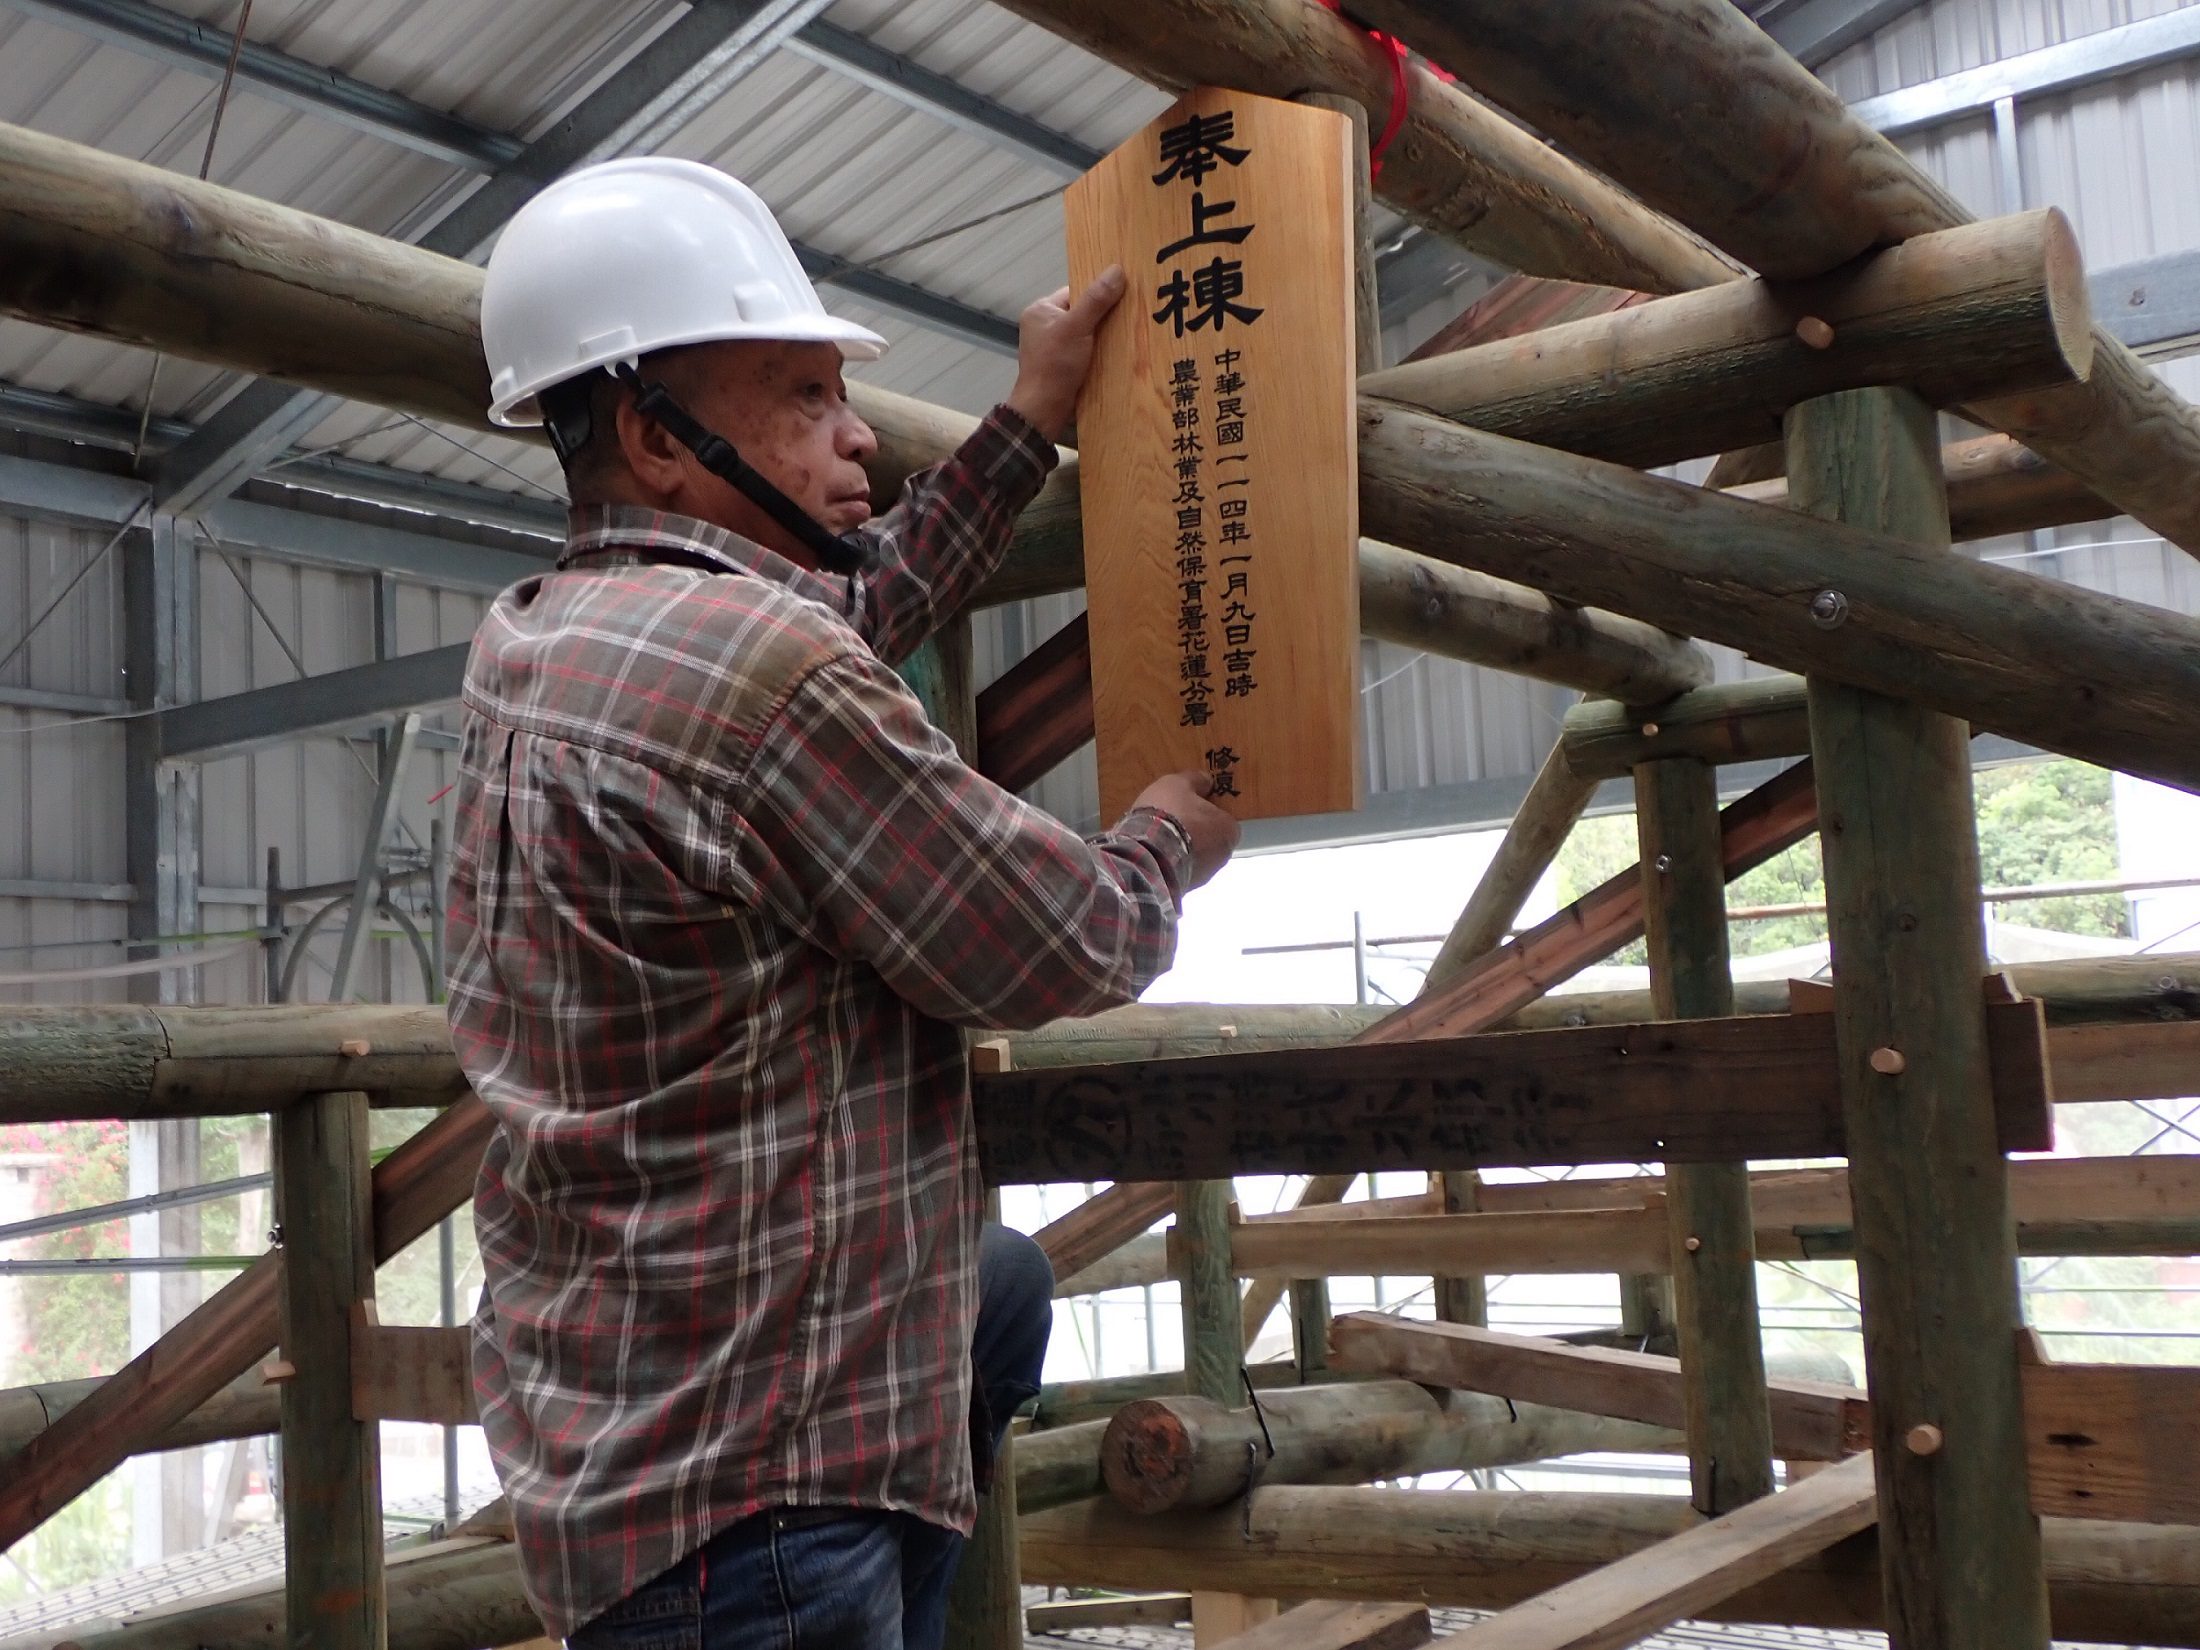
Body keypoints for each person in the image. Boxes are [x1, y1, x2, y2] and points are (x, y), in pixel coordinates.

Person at [443, 156, 1239, 1650]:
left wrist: (1030, 421)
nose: (858, 429)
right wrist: (1165, 840)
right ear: (650, 431)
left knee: (995, 1288)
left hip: (609, 1418)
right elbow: (1061, 935)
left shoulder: (538, 633)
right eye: (804, 396)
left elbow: (855, 604)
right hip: (749, 1505)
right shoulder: (758, 677)